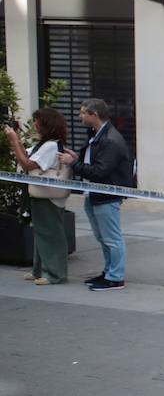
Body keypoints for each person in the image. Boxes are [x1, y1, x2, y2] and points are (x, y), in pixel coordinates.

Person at [58, 98, 134, 291]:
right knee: (102, 237)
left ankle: (115, 278)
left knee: (112, 238)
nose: (80, 116)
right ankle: (109, 272)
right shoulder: (97, 134)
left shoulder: (110, 139)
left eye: (83, 112)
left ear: (95, 114)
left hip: (106, 195)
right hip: (94, 194)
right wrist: (77, 158)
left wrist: (72, 163)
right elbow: (95, 162)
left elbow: (101, 171)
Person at [5, 107, 69, 285]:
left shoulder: (50, 146)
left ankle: (54, 273)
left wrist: (14, 140)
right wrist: (16, 140)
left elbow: (27, 164)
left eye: (37, 121)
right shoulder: (44, 144)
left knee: (50, 233)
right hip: (41, 194)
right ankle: (39, 269)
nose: (34, 124)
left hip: (48, 196)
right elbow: (26, 156)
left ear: (45, 124)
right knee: (41, 232)